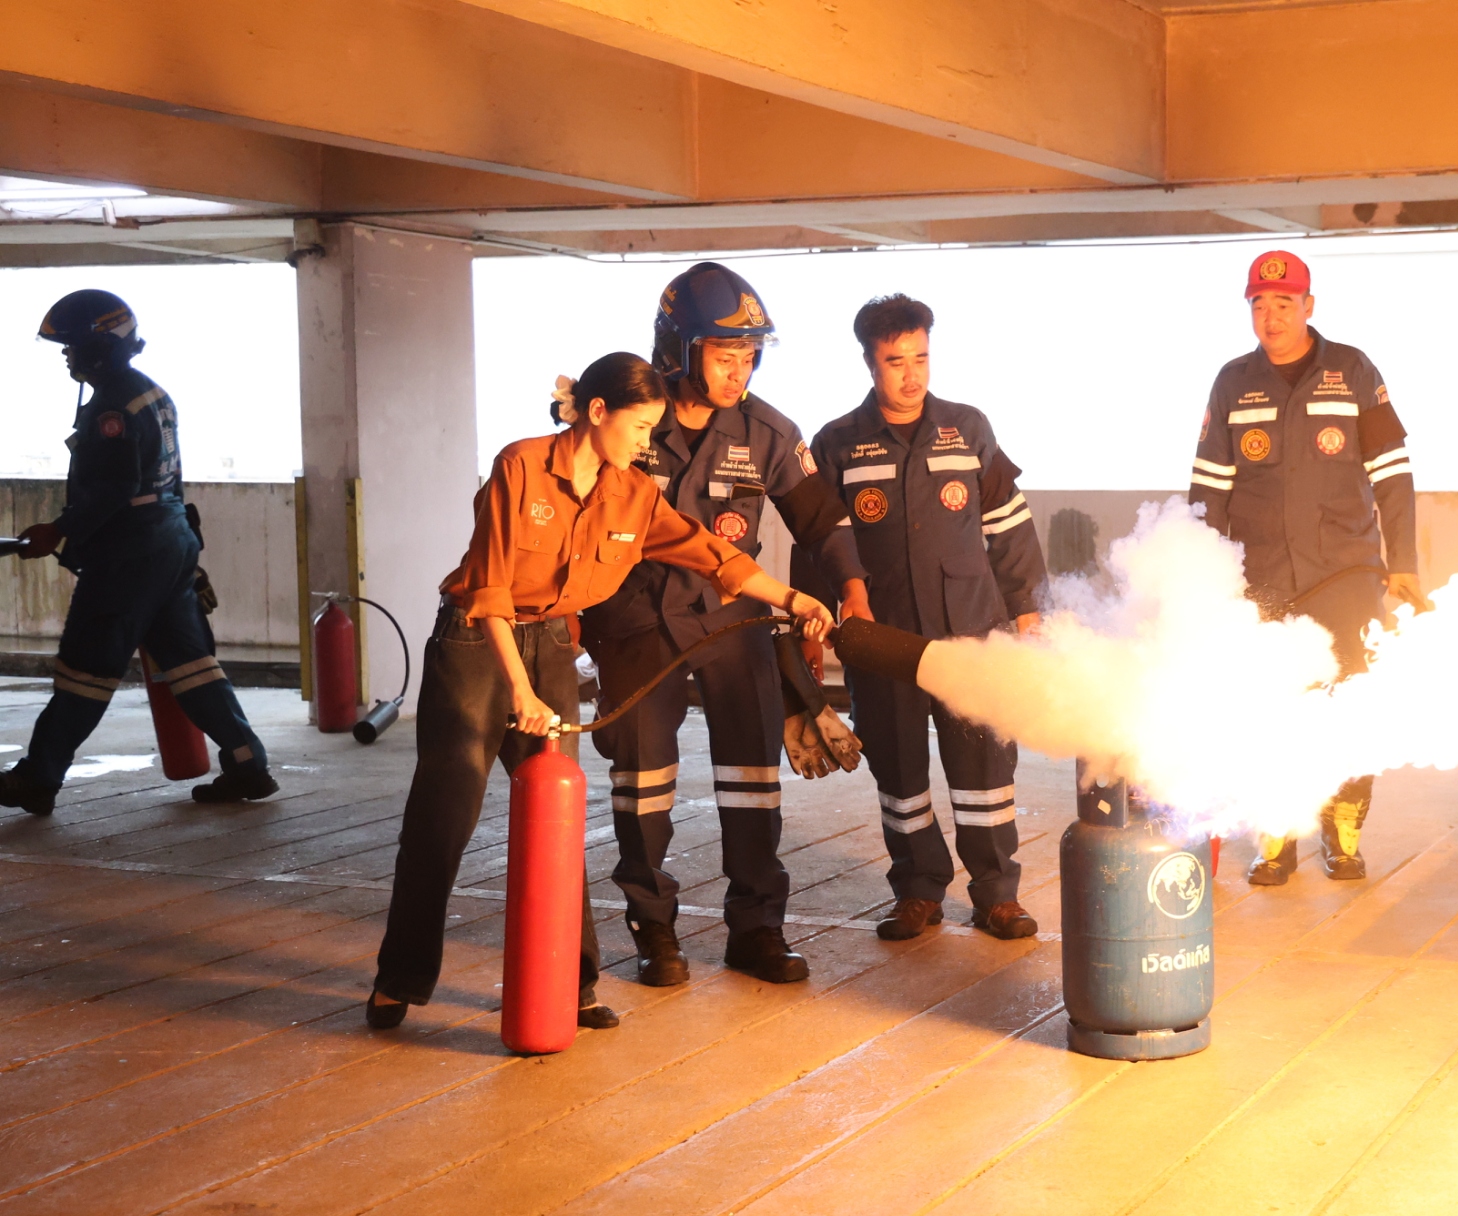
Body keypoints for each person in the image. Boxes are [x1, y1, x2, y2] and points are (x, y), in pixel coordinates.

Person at [365, 352, 833, 1033]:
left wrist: (794, 599)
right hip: (477, 645)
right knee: (444, 815)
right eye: (639, 427)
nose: (646, 443)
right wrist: (521, 692)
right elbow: (489, 590)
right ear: (596, 411)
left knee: (557, 820)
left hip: (552, 642)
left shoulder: (632, 494)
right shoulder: (521, 466)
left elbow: (711, 553)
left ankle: (573, 986)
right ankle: (399, 980)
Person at [580, 263, 871, 989]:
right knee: (643, 785)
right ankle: (653, 929)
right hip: (635, 620)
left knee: (751, 780)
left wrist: (853, 594)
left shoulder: (768, 432)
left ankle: (757, 929)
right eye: (724, 354)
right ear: (678, 348)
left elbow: (822, 521)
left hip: (732, 621)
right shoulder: (628, 419)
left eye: (750, 355)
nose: (739, 370)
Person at [802, 295, 1049, 942]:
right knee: (898, 767)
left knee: (985, 767)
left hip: (972, 631)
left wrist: (1028, 611)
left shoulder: (968, 428)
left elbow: (1009, 524)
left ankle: (997, 894)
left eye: (921, 357)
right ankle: (917, 889)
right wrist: (809, 623)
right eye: (895, 361)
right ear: (869, 362)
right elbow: (818, 541)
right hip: (884, 641)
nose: (911, 375)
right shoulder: (837, 443)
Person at [1186, 249, 1424, 886]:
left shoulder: (1353, 370)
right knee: (1269, 709)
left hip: (1346, 576)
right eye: (1259, 304)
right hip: (1262, 578)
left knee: (1350, 707)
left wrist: (1403, 561)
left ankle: (1342, 837)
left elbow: (1392, 475)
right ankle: (1276, 836)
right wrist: (1199, 581)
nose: (1271, 317)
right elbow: (1208, 491)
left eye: (1284, 303)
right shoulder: (1232, 382)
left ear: (1308, 305)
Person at [0, 289, 275, 817]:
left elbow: (115, 487)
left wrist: (57, 530)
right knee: (190, 665)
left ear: (100, 347)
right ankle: (247, 763)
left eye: (72, 345)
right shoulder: (150, 392)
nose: (66, 355)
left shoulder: (112, 405)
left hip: (129, 556)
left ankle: (38, 778)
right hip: (169, 542)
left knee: (86, 670)